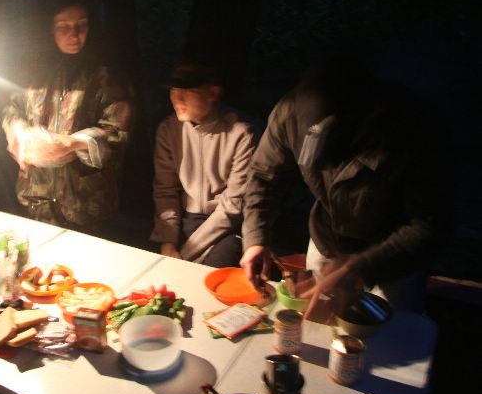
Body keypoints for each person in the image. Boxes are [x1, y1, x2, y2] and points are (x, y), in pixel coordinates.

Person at [240, 54, 451, 314]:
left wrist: (359, 268)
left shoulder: (414, 129)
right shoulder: (290, 112)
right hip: (327, 241)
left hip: (392, 257)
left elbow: (430, 224)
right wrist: (256, 238)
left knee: (389, 332)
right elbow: (264, 177)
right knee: (317, 322)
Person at [2, 0, 133, 235]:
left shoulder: (106, 74)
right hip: (38, 198)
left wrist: (74, 143)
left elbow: (118, 131)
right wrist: (18, 133)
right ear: (48, 29)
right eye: (64, 27)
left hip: (87, 204)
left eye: (81, 25)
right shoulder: (30, 71)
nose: (74, 35)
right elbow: (12, 109)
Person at [150, 59, 260, 267]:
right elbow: (165, 190)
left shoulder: (241, 133)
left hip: (227, 226)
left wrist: (185, 255)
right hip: (185, 218)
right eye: (174, 90)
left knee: (209, 270)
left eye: (188, 90)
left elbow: (233, 206)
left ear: (213, 93)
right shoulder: (168, 130)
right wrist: (167, 242)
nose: (177, 98)